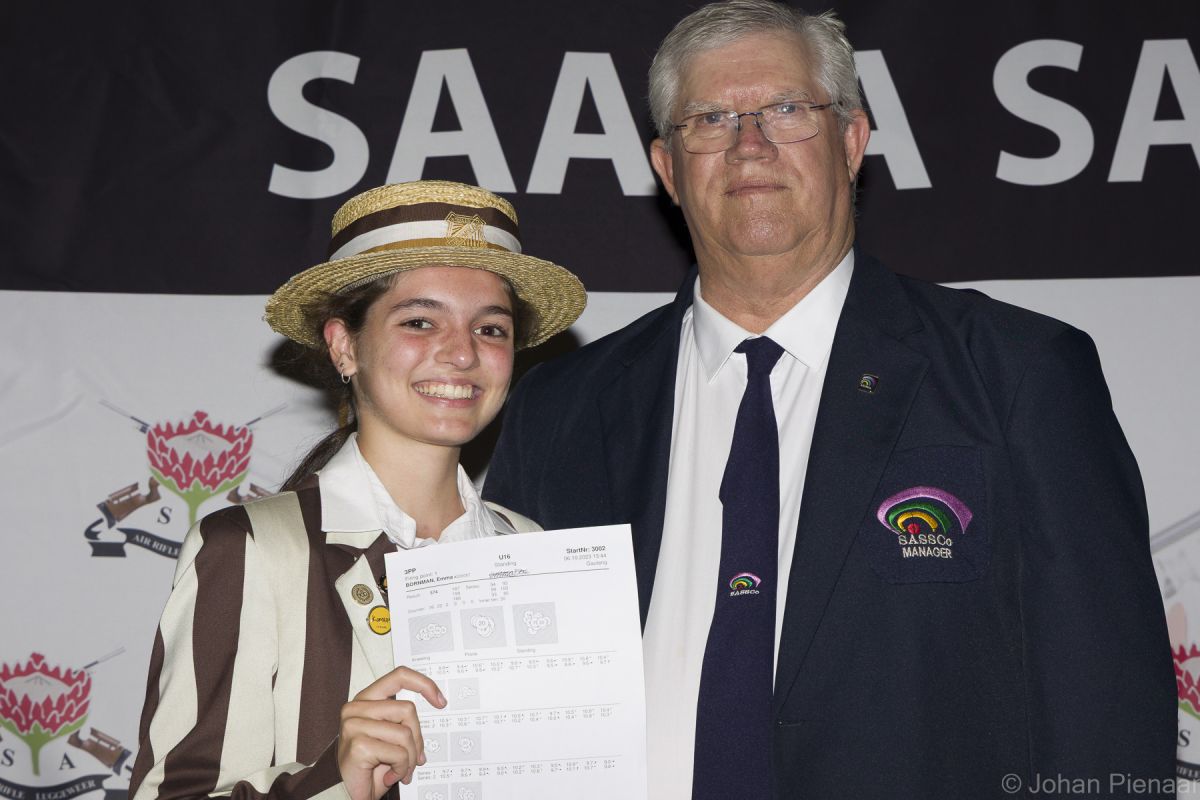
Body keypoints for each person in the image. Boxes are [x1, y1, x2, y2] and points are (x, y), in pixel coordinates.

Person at [482, 2, 1177, 798]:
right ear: (668, 169)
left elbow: (1106, 701)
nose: (749, 144)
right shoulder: (560, 408)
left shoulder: (1016, 374)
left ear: (851, 141)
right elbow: (508, 702)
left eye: (786, 109)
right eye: (709, 119)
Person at [128, 180, 586, 800]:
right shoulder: (251, 548)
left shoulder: (534, 550)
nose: (461, 354)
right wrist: (332, 780)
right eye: (420, 321)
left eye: (491, 329)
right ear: (345, 346)